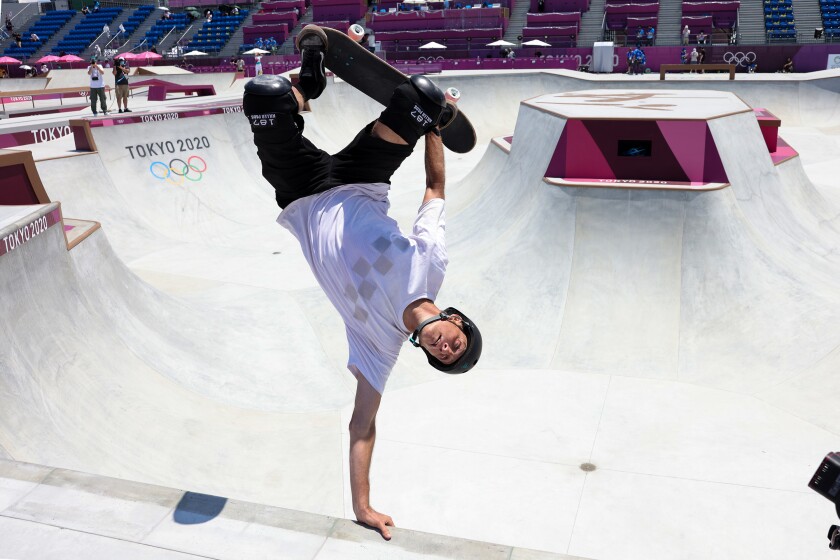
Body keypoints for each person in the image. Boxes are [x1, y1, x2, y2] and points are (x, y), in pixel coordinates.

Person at [242, 24, 482, 540]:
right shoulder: (432, 264)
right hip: (361, 178)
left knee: (263, 97)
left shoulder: (381, 348)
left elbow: (362, 427)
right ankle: (341, 80)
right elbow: (435, 187)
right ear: (455, 320)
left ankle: (305, 87)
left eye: (442, 356)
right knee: (420, 96)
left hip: (302, 194)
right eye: (455, 343)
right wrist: (434, 128)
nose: (444, 348)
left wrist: (364, 506)